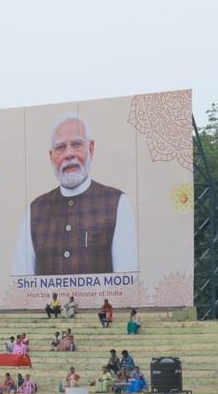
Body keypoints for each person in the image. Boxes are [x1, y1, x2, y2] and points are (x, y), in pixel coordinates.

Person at [14, 115, 138, 275]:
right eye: (60, 147)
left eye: (76, 144)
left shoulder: (117, 203)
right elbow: (21, 281)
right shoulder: (35, 210)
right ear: (51, 157)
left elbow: (126, 279)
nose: (69, 154)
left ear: (91, 148)